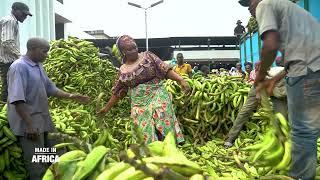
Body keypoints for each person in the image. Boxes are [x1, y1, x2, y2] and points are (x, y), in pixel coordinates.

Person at [239, 0, 320, 178]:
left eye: (249, 4)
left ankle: (301, 176)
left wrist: (260, 77)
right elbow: (302, 54)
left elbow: (270, 45)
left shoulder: (265, 4)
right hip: (314, 69)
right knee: (313, 129)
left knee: (303, 131)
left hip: (306, 73)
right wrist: (274, 79)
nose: (250, 10)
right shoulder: (292, 10)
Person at [7, 38, 90, 180]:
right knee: (37, 161)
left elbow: (50, 88)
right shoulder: (19, 67)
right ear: (32, 49)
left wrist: (71, 96)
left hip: (43, 119)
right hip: (29, 122)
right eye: (44, 51)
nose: (47, 55)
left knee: (56, 153)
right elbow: (17, 99)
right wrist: (29, 124)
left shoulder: (38, 65)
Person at [97, 35, 189, 144]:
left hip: (158, 95)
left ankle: (170, 147)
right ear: (123, 52)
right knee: (143, 130)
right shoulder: (123, 71)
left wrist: (180, 80)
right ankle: (149, 154)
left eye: (135, 47)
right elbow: (119, 92)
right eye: (129, 49)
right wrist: (106, 109)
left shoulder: (148, 57)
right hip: (139, 103)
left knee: (163, 120)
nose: (134, 51)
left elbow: (165, 70)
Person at [224, 58, 287, 148]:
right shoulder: (278, 72)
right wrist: (258, 93)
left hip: (276, 93)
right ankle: (230, 138)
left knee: (282, 116)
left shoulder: (294, 82)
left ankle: (280, 140)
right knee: (245, 111)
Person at [0, 2, 32, 102]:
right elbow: (7, 42)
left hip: (6, 59)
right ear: (15, 10)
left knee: (9, 85)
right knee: (8, 86)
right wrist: (20, 56)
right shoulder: (10, 21)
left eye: (26, 15)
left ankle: (7, 108)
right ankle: (5, 109)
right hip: (7, 60)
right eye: (23, 14)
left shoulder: (11, 21)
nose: (25, 16)